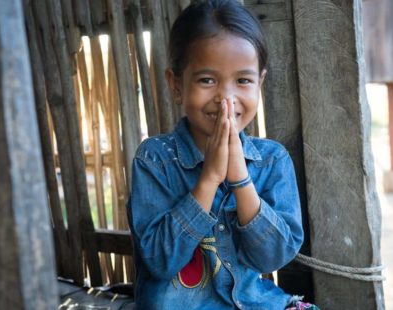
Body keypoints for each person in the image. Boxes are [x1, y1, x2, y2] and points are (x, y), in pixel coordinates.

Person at [126, 0, 317, 308]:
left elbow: (275, 257)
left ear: (260, 83)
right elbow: (159, 261)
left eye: (243, 80)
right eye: (207, 80)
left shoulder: (272, 161)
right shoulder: (155, 159)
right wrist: (210, 178)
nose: (226, 98)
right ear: (176, 85)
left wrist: (241, 180)